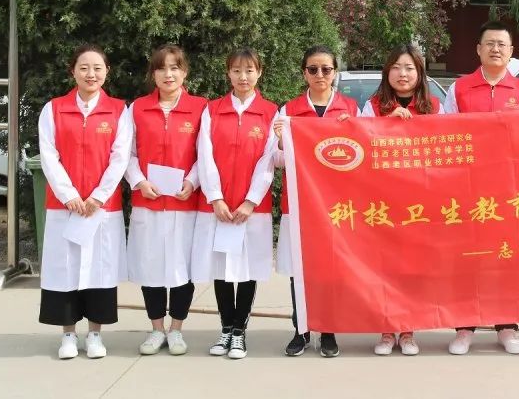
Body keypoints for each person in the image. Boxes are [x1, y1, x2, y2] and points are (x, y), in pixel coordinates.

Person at [442, 20, 519, 356]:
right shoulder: (460, 89)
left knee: (507, 258)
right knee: (467, 259)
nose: (496, 49)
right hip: (469, 188)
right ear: (479, 49)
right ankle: (464, 327)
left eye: (502, 44)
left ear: (511, 52)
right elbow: (446, 135)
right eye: (490, 43)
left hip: (511, 189)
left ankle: (507, 327)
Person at [37, 44, 132, 360]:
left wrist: (97, 197)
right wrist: (70, 196)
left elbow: (120, 158)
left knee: (99, 271)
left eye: (97, 68)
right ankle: (67, 335)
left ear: (107, 72)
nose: (91, 74)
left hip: (101, 209)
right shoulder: (54, 109)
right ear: (73, 71)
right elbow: (48, 156)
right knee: (64, 270)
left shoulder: (118, 110)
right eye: (84, 67)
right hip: (64, 207)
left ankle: (94, 334)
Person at [192, 47, 278, 360]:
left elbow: (268, 160)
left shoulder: (270, 112)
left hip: (251, 211)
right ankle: (225, 329)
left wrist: (250, 201)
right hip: (219, 209)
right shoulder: (212, 110)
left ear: (259, 73)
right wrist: (215, 197)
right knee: (222, 270)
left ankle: (240, 331)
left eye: (250, 70)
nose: (243, 77)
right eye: (237, 70)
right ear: (228, 73)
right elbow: (205, 156)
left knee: (248, 270)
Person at [274, 46, 359, 359]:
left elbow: (365, 154)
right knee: (300, 269)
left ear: (335, 72)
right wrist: (281, 141)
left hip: (337, 205)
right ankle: (301, 329)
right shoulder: (288, 110)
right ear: (304, 73)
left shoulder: (351, 109)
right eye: (313, 69)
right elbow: (276, 161)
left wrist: (354, 130)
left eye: (326, 69)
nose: (320, 75)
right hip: (300, 204)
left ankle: (328, 330)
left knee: (331, 269)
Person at [361, 44, 443, 356]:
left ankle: (408, 329)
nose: (402, 74)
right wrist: (386, 125)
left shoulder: (435, 106)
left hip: (420, 202)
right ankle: (386, 329)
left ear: (419, 73)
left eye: (409, 68)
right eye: (396, 67)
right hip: (383, 201)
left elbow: (445, 147)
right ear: (387, 73)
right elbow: (361, 145)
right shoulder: (373, 106)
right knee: (384, 267)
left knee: (413, 268)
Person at [126, 45, 207, 356]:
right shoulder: (137, 108)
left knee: (182, 268)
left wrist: (192, 181)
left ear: (184, 72)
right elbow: (126, 154)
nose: (168, 74)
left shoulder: (200, 108)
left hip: (184, 204)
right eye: (161, 68)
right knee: (151, 268)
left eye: (175, 67)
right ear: (153, 74)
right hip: (148, 202)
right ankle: (156, 329)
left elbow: (205, 155)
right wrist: (139, 181)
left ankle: (176, 330)